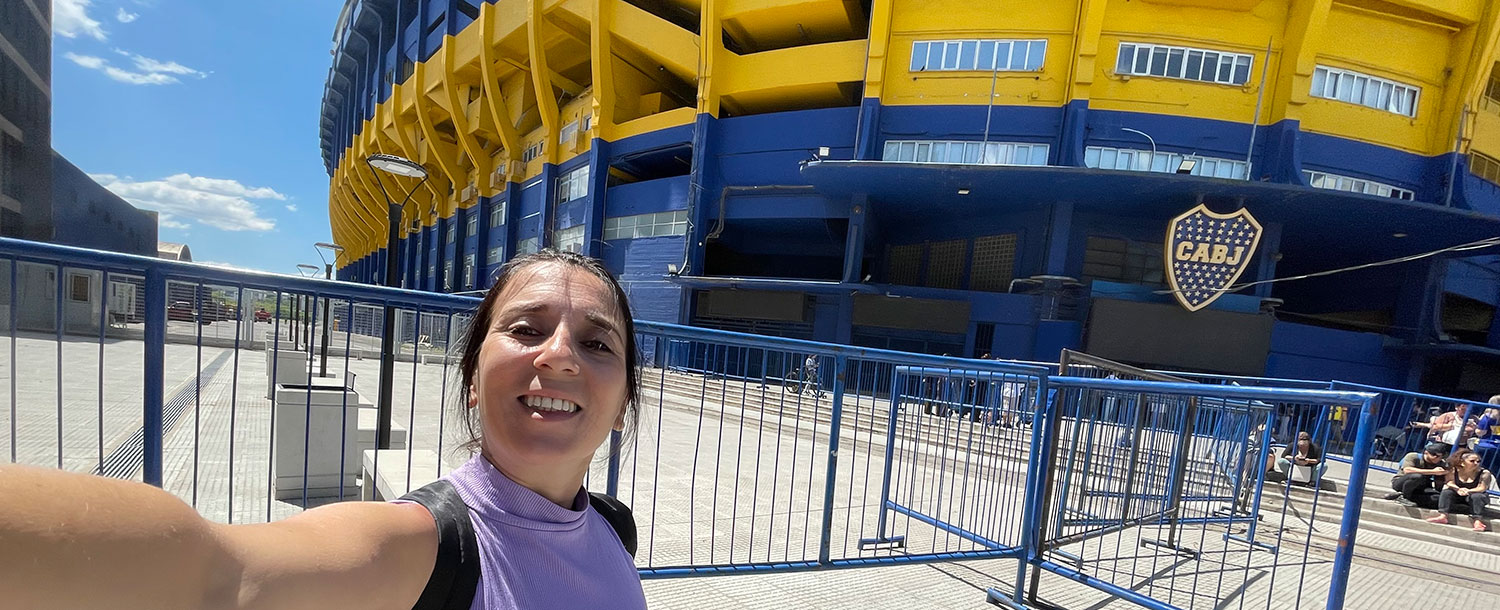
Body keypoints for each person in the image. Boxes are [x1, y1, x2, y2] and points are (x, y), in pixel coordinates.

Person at [0, 250, 648, 610]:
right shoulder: (422, 547)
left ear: (622, 403)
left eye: (597, 343)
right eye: (526, 329)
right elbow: (215, 575)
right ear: (474, 380)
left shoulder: (613, 530)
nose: (560, 355)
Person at [1426, 449, 1492, 532]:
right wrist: (1458, 489)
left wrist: (1468, 491)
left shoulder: (1484, 473)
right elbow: (1449, 482)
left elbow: (1482, 488)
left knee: (1477, 496)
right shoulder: (1454, 470)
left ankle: (1478, 521)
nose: (1476, 463)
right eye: (1472, 461)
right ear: (1462, 462)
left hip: (1474, 495)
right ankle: (1443, 516)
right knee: (1447, 491)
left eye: (1478, 461)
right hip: (1458, 493)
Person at [1388, 442, 1451, 508]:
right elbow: (1407, 470)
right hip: (1403, 482)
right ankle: (1404, 497)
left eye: (1440, 457)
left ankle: (1401, 496)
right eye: (1435, 455)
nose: (1437, 458)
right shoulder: (1413, 456)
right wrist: (1433, 471)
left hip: (1421, 486)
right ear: (1426, 452)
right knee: (1417, 476)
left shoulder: (1440, 463)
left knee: (1438, 499)